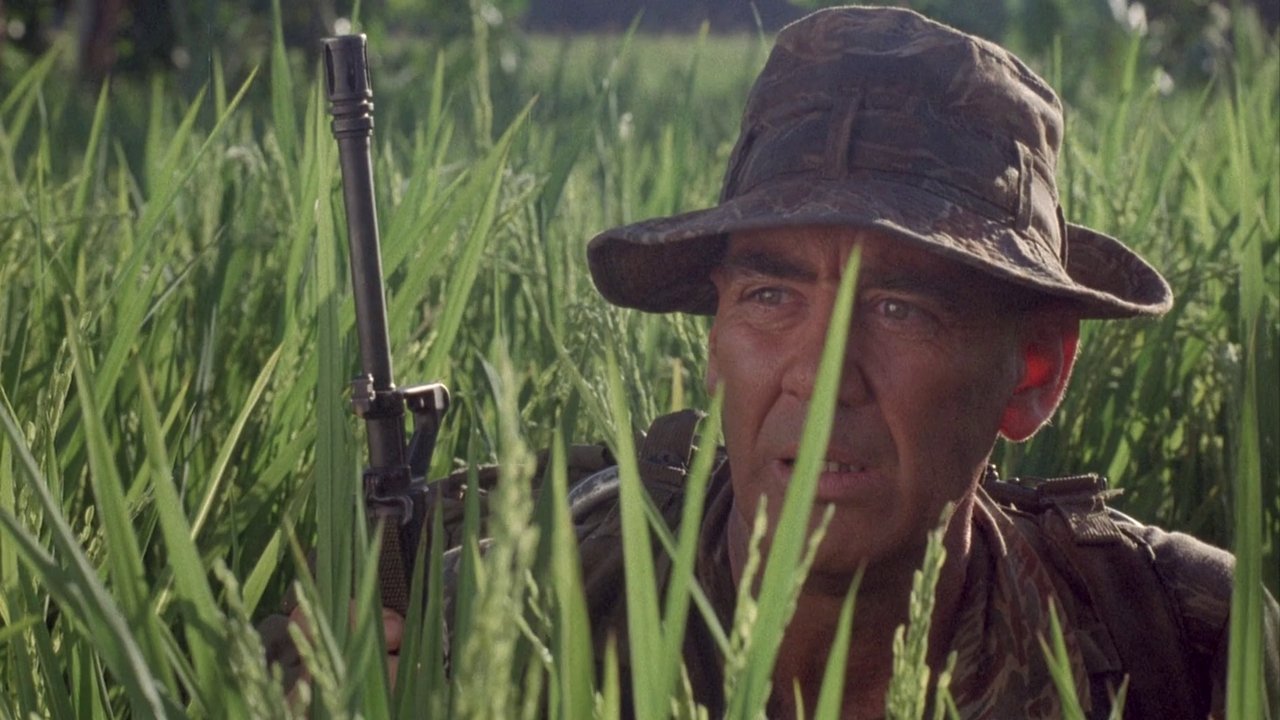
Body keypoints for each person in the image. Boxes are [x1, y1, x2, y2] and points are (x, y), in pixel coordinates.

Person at [271, 6, 1280, 717]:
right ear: (713, 340)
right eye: (770, 297)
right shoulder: (515, 618)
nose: (819, 374)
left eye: (901, 308)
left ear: (1034, 374)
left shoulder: (1186, 646)